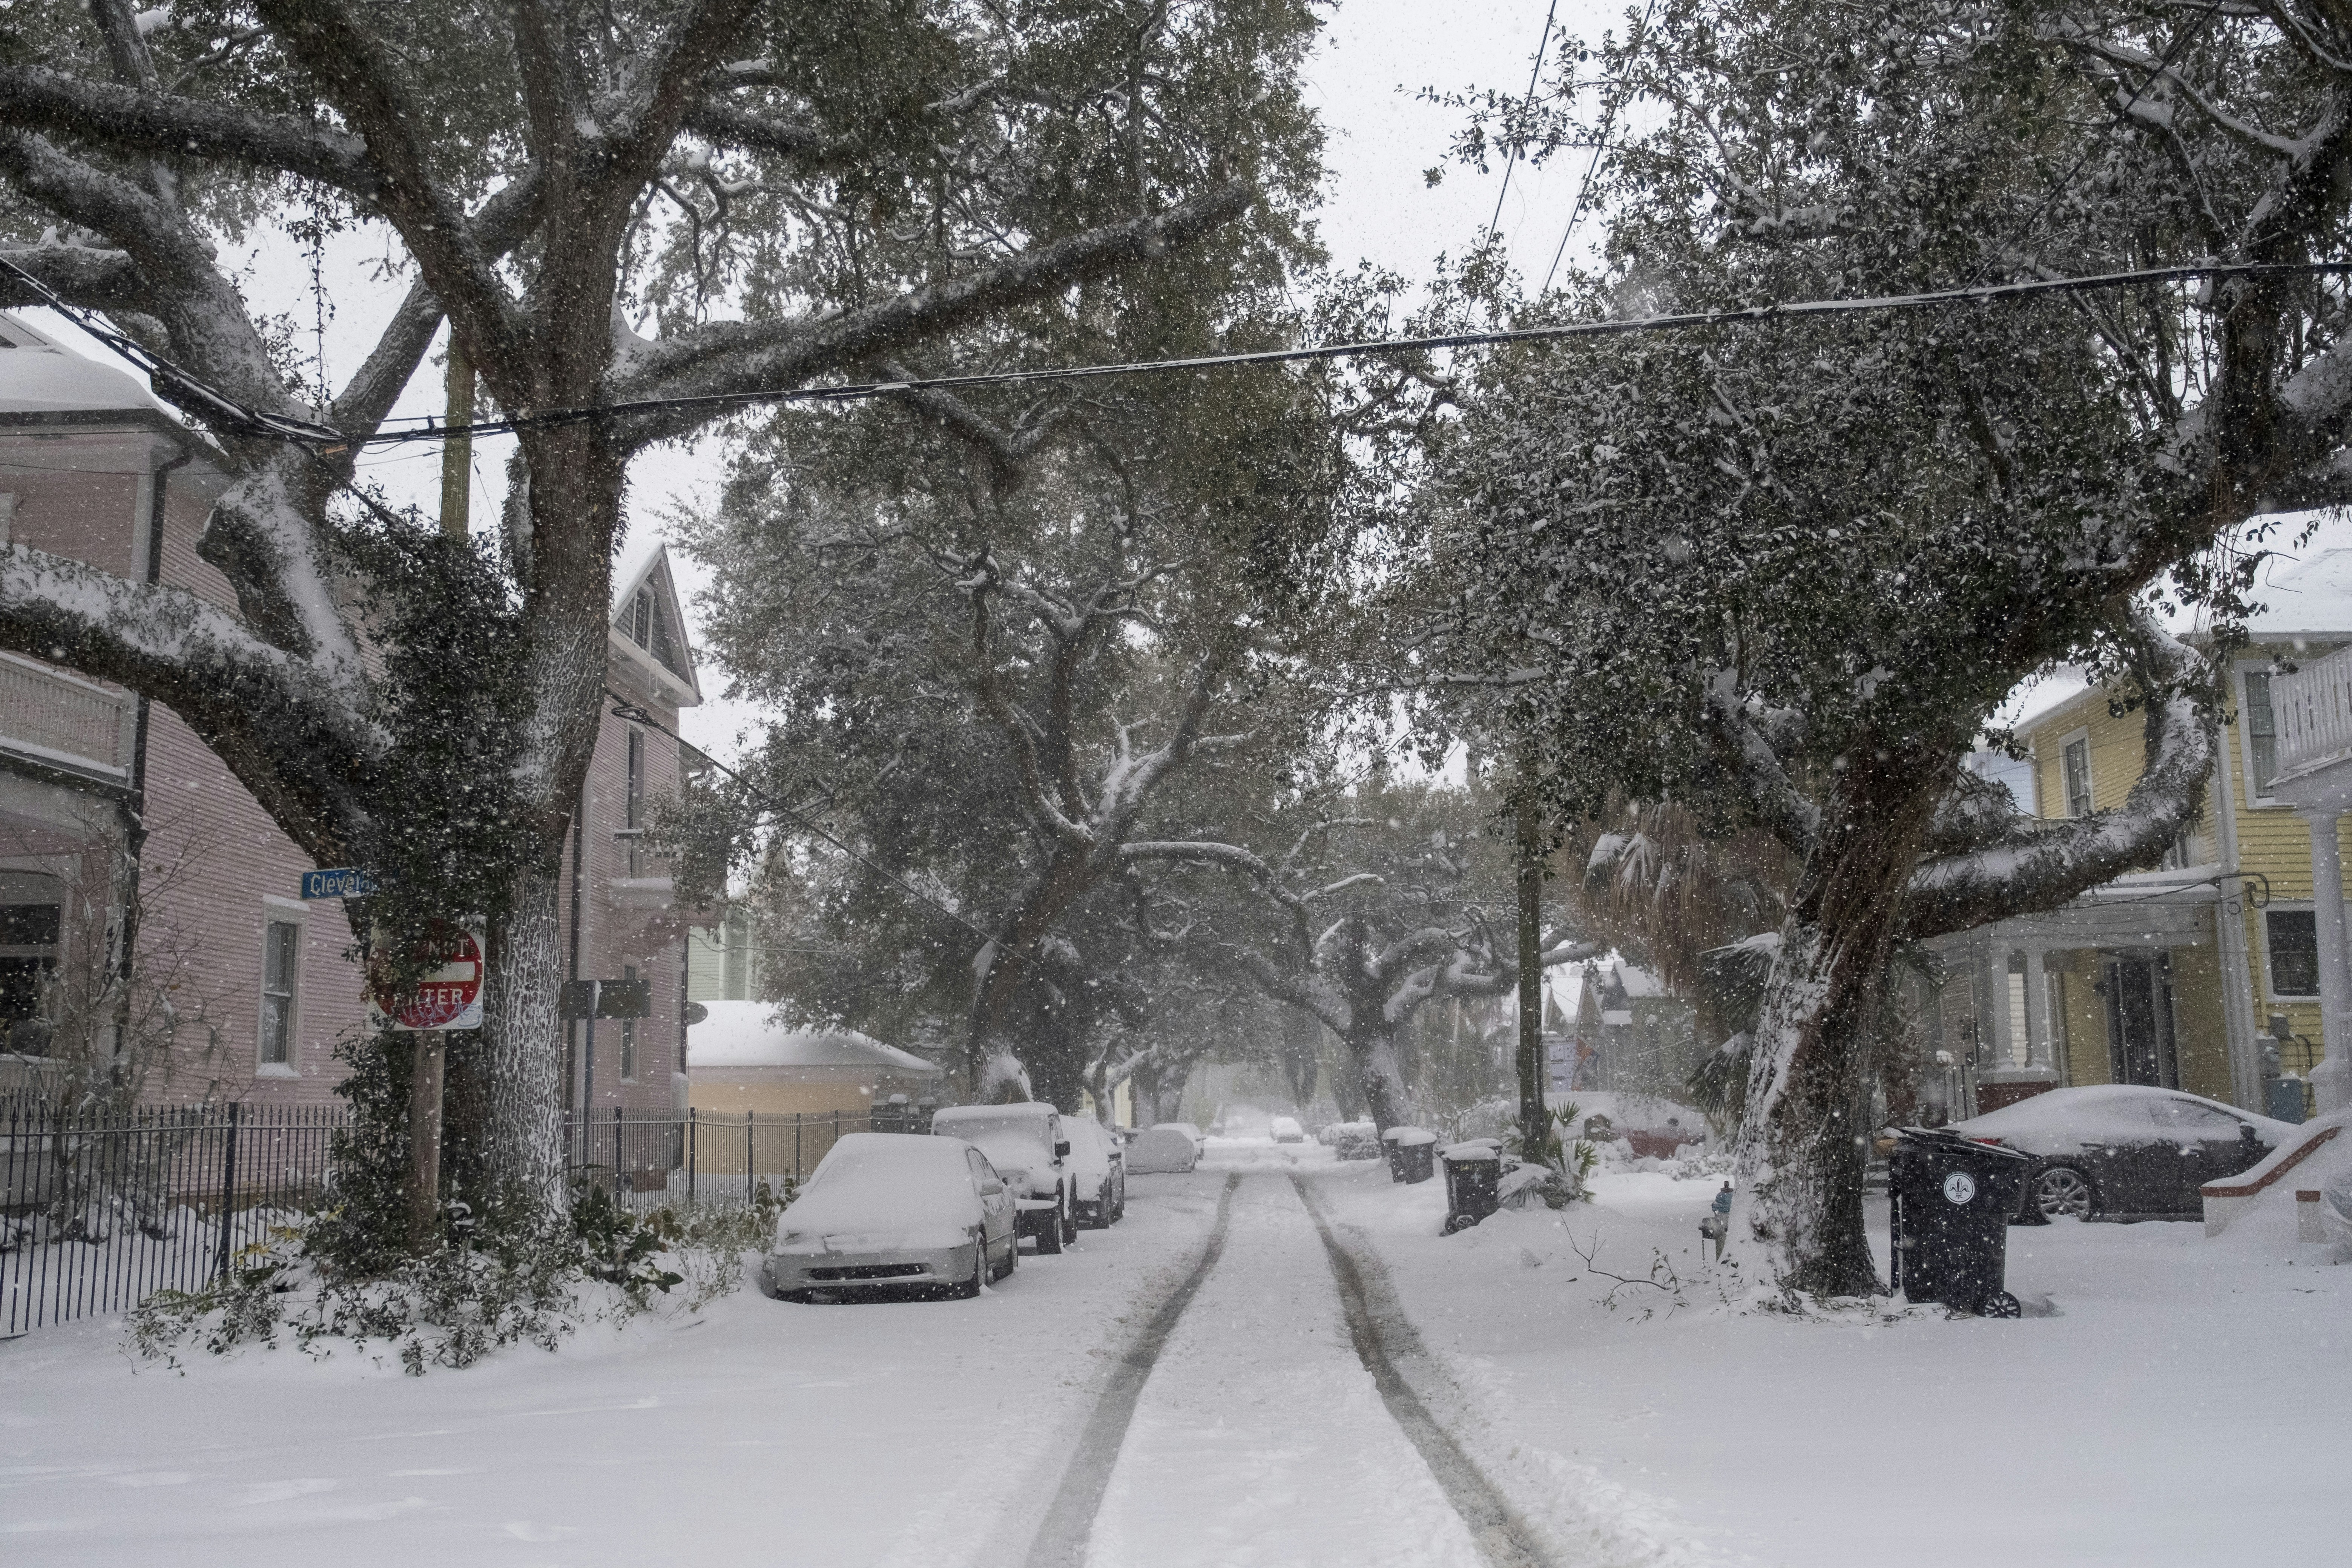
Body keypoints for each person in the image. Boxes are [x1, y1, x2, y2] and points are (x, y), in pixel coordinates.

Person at [1698, 1181, 1733, 1260]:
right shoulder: (1731, 1198)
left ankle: (1721, 1262)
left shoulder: (1722, 1199)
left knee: (1722, 1243)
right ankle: (1721, 1263)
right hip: (1727, 1230)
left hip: (1726, 1229)